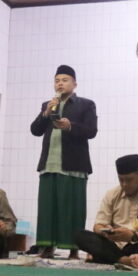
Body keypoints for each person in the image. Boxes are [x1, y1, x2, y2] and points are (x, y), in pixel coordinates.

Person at [30, 64, 97, 259]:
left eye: (65, 80)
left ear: (74, 84)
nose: (60, 84)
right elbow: (35, 130)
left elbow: (91, 131)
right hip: (49, 166)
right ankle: (47, 247)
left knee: (73, 209)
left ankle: (74, 248)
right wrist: (45, 113)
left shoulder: (86, 104)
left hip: (74, 166)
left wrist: (70, 126)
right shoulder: (48, 104)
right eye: (57, 80)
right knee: (47, 208)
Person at [75, 154, 138, 268]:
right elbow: (98, 226)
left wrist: (133, 236)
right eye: (121, 180)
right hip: (113, 245)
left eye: (129, 180)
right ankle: (125, 260)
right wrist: (106, 232)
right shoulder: (112, 194)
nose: (124, 184)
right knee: (80, 235)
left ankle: (106, 257)